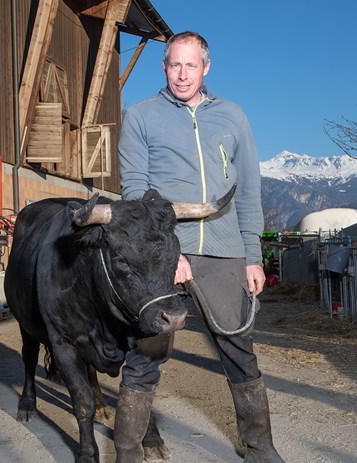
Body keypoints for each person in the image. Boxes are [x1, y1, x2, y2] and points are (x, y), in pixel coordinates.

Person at [115, 31, 285, 463]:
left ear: (206, 67)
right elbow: (136, 193)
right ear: (164, 66)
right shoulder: (140, 116)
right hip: (164, 255)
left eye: (192, 65)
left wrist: (253, 256)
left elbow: (248, 190)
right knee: (146, 353)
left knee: (239, 350)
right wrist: (169, 253)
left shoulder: (232, 116)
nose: (183, 74)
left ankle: (261, 448)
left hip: (225, 253)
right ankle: (128, 452)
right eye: (175, 65)